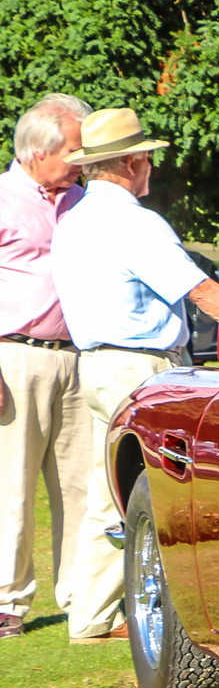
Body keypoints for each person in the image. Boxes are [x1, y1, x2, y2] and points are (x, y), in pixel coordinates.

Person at [51, 108, 219, 643]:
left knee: (104, 489)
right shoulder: (134, 222)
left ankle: (90, 616)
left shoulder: (72, 221)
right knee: (163, 494)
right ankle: (173, 612)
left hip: (93, 364)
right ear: (134, 161)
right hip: (141, 367)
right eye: (148, 159)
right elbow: (200, 290)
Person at [0, 93, 92, 640]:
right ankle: (7, 602)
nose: (82, 161)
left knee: (80, 486)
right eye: (75, 151)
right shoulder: (2, 197)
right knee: (11, 486)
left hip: (80, 358)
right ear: (39, 150)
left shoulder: (84, 201)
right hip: (14, 357)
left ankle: (83, 599)